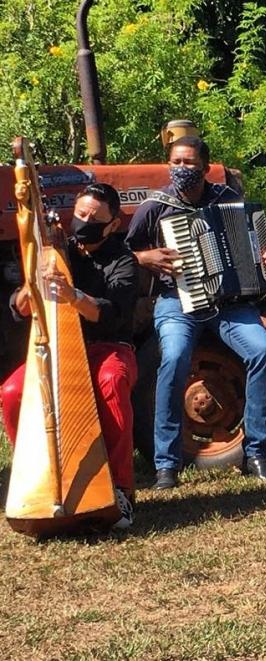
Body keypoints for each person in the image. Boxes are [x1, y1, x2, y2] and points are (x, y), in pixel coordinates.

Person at [126, 135, 266, 488]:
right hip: (177, 302)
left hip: (229, 304)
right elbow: (122, 255)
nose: (182, 169)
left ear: (204, 167)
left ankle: (257, 452)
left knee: (261, 351)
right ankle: (166, 464)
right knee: (174, 357)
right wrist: (145, 257)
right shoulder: (155, 206)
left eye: (189, 163)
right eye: (176, 163)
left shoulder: (229, 200)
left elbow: (263, 254)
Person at [0, 183, 138, 528]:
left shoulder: (123, 259)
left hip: (109, 348)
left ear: (112, 225)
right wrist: (32, 287)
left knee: (112, 380)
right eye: (80, 214)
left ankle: (121, 489)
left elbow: (111, 314)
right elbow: (18, 309)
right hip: (57, 347)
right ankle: (34, 479)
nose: (84, 222)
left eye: (94, 218)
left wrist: (72, 295)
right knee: (13, 392)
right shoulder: (56, 251)